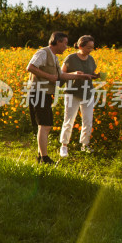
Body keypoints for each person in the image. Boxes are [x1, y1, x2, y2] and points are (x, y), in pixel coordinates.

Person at [26, 32, 95, 164]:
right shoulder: (43, 53)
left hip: (45, 94)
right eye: (65, 43)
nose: (66, 46)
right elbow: (30, 67)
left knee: (45, 125)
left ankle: (42, 156)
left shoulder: (54, 57)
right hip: (39, 92)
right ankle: (44, 158)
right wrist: (49, 76)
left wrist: (79, 75)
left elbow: (61, 76)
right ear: (58, 42)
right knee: (44, 125)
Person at [59, 35, 99, 157]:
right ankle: (64, 146)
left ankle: (85, 145)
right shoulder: (70, 58)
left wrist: (95, 75)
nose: (90, 50)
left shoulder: (91, 59)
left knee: (88, 121)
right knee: (69, 120)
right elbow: (61, 74)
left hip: (87, 93)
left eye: (92, 47)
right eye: (88, 47)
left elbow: (90, 73)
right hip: (72, 93)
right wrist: (75, 74)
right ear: (80, 46)